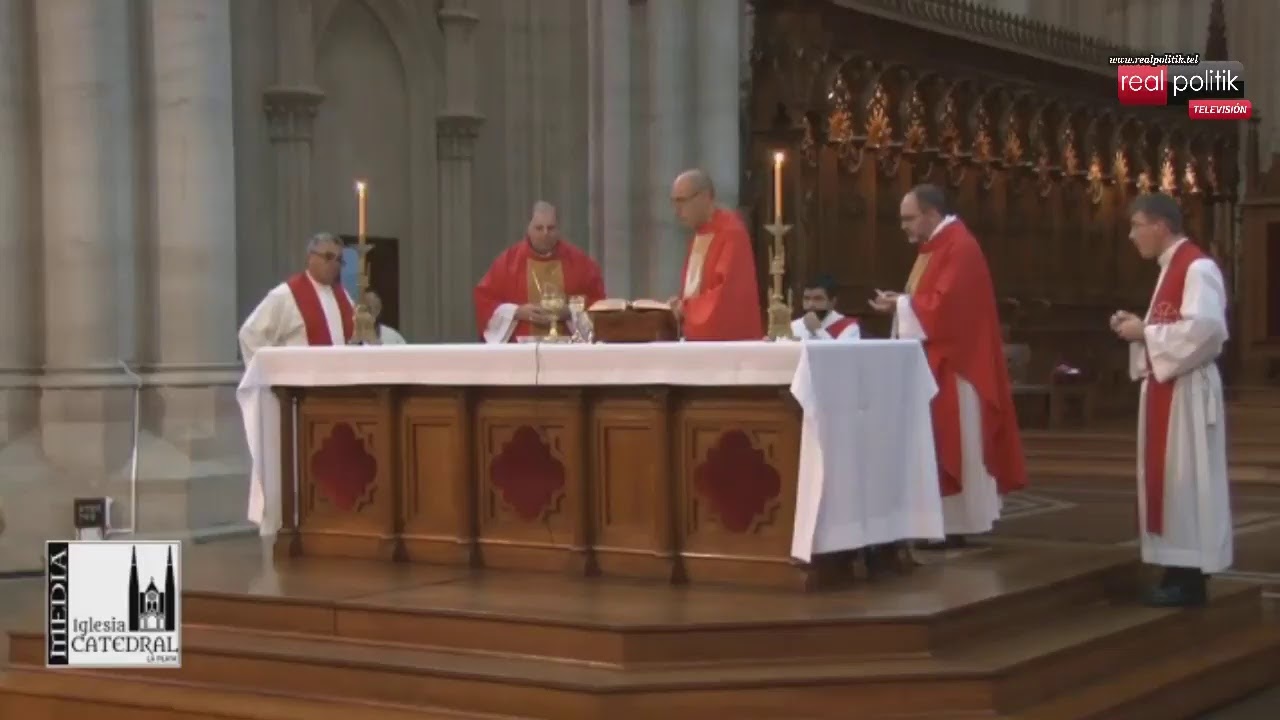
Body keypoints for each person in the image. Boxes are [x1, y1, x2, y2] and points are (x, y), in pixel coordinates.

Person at [868, 184, 1026, 548]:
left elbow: (947, 309)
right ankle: (943, 520)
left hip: (960, 365)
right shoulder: (938, 247)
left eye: (909, 218)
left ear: (931, 214)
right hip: (943, 359)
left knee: (959, 439)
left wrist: (903, 306)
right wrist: (903, 303)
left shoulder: (959, 246)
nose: (904, 226)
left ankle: (958, 522)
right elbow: (931, 302)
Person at [1109, 192, 1231, 607]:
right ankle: (1176, 570)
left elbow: (1208, 330)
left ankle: (1189, 578)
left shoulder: (1196, 267)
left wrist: (1146, 334)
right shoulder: (1171, 268)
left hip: (1187, 395)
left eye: (1136, 225)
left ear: (1160, 225)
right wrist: (1140, 327)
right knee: (1173, 482)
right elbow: (1173, 326)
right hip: (1170, 390)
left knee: (1187, 481)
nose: (1131, 235)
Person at [474, 201, 605, 343]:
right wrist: (517, 312)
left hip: (568, 349)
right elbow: (485, 301)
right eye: (539, 228)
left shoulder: (580, 263)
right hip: (520, 350)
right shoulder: (508, 262)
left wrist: (569, 312)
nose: (545, 234)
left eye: (551, 228)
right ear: (528, 228)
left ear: (559, 229)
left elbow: (598, 305)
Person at [667, 169, 763, 341]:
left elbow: (725, 298)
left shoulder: (731, 233)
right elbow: (696, 289)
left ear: (705, 196)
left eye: (681, 201)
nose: (677, 211)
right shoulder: (700, 234)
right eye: (674, 202)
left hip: (727, 346)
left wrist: (687, 309)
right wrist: (680, 304)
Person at [238, 232, 354, 364]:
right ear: (310, 257)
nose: (334, 264)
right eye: (328, 257)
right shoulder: (285, 294)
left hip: (337, 377)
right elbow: (250, 334)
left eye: (339, 259)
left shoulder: (343, 295)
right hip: (300, 379)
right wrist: (272, 371)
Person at [792, 275, 860, 341]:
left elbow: (840, 352)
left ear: (832, 302)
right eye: (806, 298)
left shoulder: (848, 328)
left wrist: (818, 331)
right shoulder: (794, 326)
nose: (811, 304)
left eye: (818, 299)